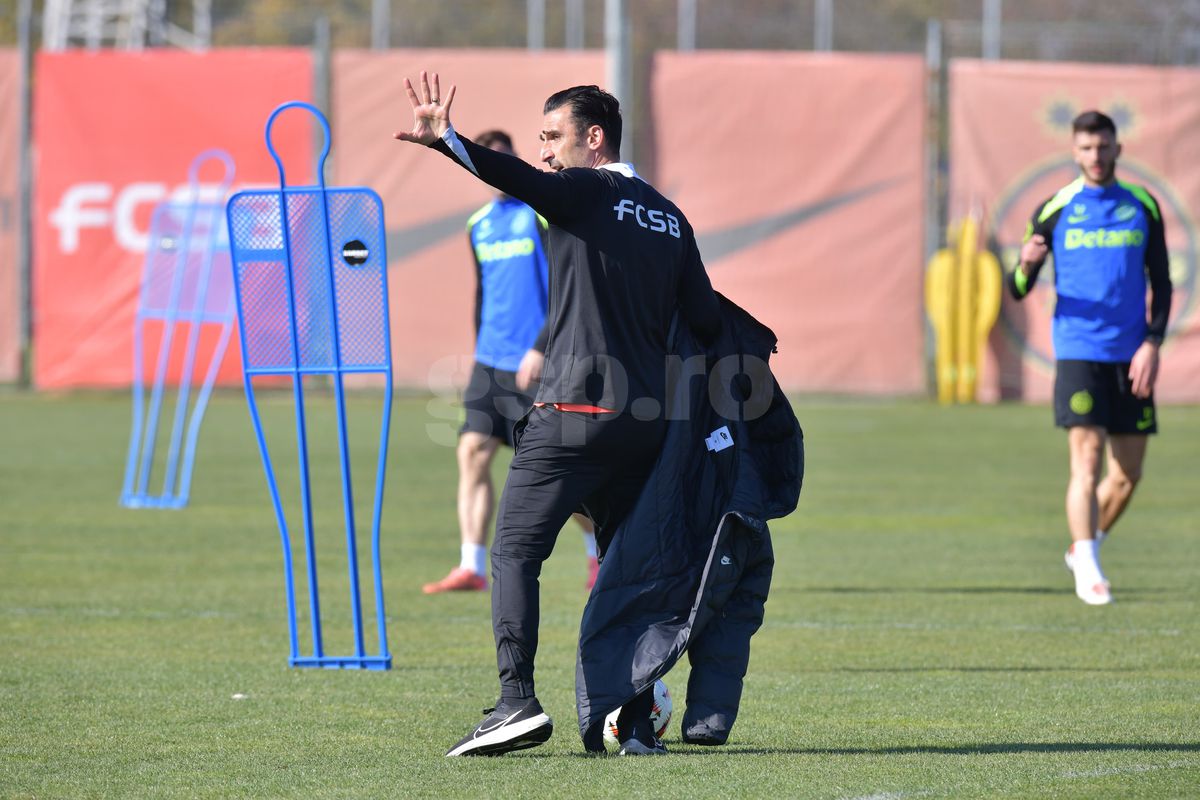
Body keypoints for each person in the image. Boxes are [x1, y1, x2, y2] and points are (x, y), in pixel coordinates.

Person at [393, 72, 721, 756]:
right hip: (643, 427)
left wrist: (448, 141)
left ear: (592, 140)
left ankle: (516, 703)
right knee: (626, 568)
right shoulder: (669, 216)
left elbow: (518, 179)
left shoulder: (583, 192)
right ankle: (632, 722)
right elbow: (707, 320)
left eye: (552, 137)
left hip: (572, 410)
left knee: (514, 550)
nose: (544, 152)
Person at [421, 129, 599, 595]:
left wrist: (541, 345)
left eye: (503, 160)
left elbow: (566, 285)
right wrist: (481, 349)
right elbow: (484, 294)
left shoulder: (540, 215)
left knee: (554, 470)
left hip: (538, 362)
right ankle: (471, 565)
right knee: (472, 453)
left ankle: (598, 554)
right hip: (491, 363)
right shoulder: (478, 224)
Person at [1007, 109, 1172, 606]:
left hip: (1132, 356)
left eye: (1103, 147)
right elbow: (1016, 288)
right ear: (1074, 152)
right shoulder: (1056, 208)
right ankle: (1090, 570)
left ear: (1117, 149)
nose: (1095, 156)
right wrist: (1027, 265)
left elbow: (1161, 282)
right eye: (1085, 148)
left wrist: (1152, 343)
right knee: (1086, 461)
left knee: (1127, 475)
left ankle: (1083, 547)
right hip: (1079, 351)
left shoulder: (1142, 205)